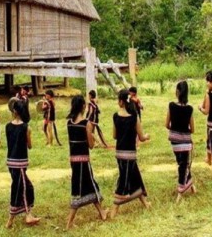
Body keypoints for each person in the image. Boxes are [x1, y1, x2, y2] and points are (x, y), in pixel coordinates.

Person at [65, 95, 106, 229]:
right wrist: (93, 138)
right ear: (83, 106)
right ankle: (70, 222)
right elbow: (91, 145)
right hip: (83, 160)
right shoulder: (86, 123)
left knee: (90, 184)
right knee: (81, 188)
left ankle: (102, 212)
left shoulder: (69, 122)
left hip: (73, 159)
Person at [110, 88, 151, 219]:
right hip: (130, 153)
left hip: (119, 153)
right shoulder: (134, 117)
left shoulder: (116, 116)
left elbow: (114, 136)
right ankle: (114, 210)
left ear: (120, 102)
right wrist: (147, 136)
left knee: (135, 176)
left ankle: (145, 203)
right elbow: (141, 137)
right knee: (123, 181)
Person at [6, 98, 40, 228]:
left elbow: (10, 144)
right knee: (21, 188)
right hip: (20, 163)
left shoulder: (8, 126)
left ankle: (27, 215)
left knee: (26, 187)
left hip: (11, 162)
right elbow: (29, 146)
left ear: (14, 111)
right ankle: (14, 219)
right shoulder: (26, 127)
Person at [166, 80, 196, 202]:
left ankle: (191, 185)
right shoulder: (189, 109)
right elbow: (192, 129)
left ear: (177, 92)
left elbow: (166, 124)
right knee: (184, 165)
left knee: (182, 164)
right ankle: (181, 190)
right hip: (185, 142)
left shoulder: (171, 106)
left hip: (174, 141)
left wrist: (174, 129)